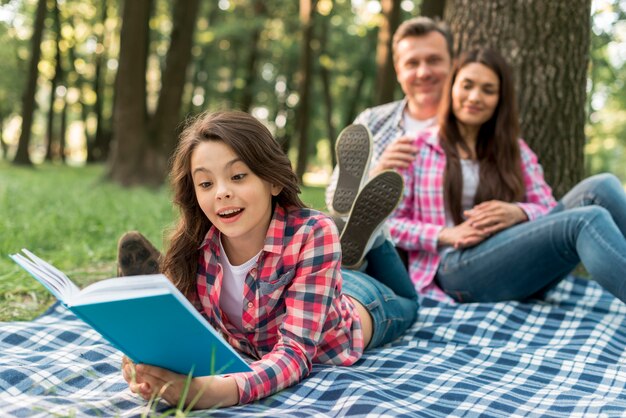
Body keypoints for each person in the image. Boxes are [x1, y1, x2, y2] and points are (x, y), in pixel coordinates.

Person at [119, 111, 418, 409]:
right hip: (317, 277)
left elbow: (295, 353)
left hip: (363, 305)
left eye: (238, 176)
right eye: (206, 184)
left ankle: (375, 236)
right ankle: (351, 240)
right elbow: (191, 333)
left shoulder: (313, 234)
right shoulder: (199, 246)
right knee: (338, 263)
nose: (222, 193)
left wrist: (220, 392)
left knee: (410, 301)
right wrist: (147, 363)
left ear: (273, 182)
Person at [387, 47, 626, 306]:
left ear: (500, 99)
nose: (475, 97)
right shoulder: (416, 148)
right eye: (467, 85)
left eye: (488, 90)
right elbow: (389, 225)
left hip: (516, 264)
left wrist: (519, 213)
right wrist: (445, 234)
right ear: (452, 88)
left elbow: (548, 206)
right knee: (587, 220)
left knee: (602, 185)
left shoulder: (515, 150)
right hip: (453, 269)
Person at [326, 16, 453, 215]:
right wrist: (379, 172)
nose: (423, 72)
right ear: (398, 71)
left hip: (444, 238)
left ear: (452, 64)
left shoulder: (468, 125)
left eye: (434, 60)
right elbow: (334, 198)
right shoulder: (371, 122)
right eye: (412, 63)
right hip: (378, 236)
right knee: (345, 220)